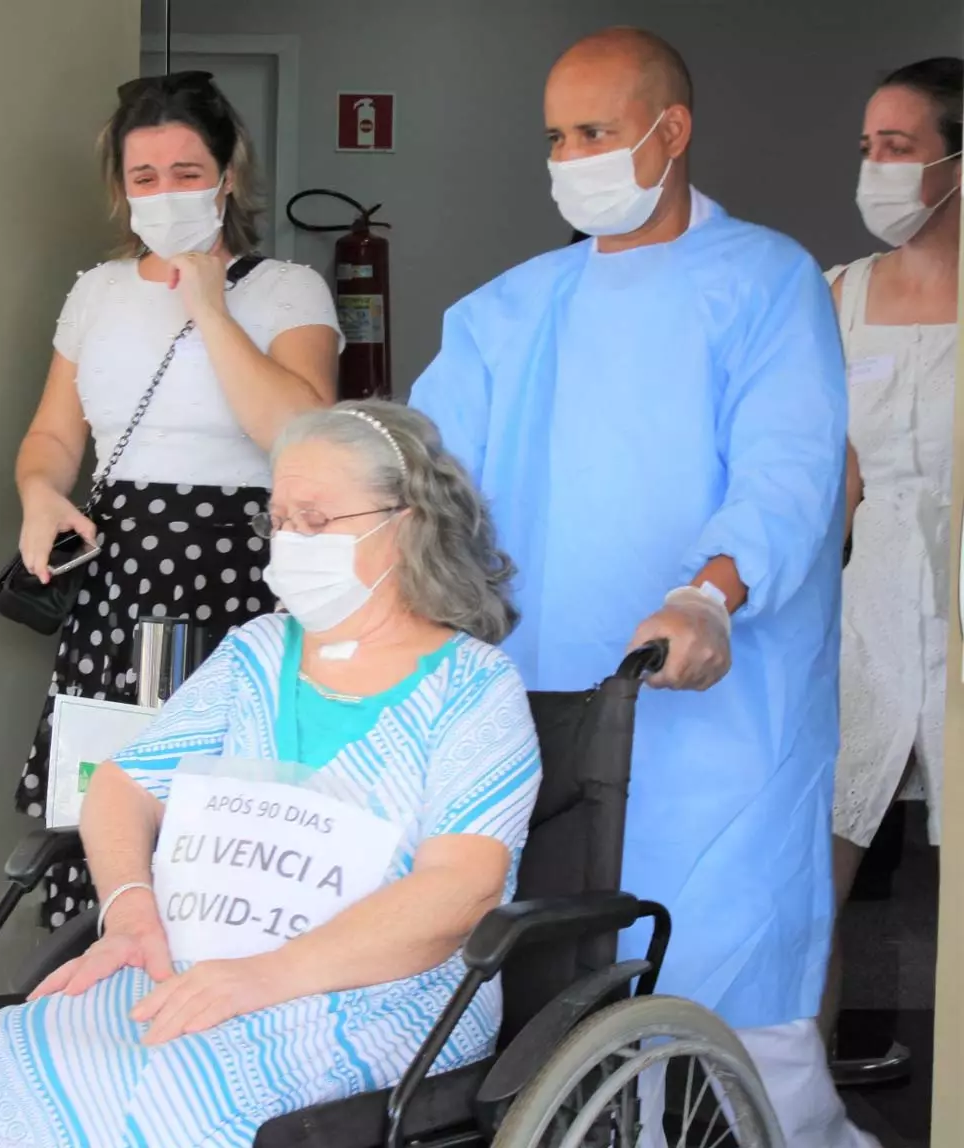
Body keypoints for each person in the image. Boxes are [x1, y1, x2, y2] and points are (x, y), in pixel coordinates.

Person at [411, 27, 875, 1147]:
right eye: (556, 138)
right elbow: (420, 480)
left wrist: (711, 594)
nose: (571, 160)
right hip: (540, 699)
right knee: (552, 981)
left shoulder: (764, 280)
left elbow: (790, 466)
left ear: (672, 132)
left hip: (717, 700)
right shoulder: (506, 311)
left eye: (596, 132)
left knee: (731, 987)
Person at [0, 402, 541, 1148]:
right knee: (2, 1055)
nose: (290, 541)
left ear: (407, 526)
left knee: (173, 1103)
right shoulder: (258, 651)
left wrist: (266, 976)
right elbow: (124, 785)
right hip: (199, 958)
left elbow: (461, 889)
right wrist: (130, 912)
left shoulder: (475, 688)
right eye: (278, 520)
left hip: (379, 992)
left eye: (316, 520)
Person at [13, 72, 342, 928]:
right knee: (111, 805)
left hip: (247, 578)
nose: (165, 192)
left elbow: (303, 434)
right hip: (121, 578)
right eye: (145, 176)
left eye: (187, 172)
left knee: (234, 820)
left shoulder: (287, 289)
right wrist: (40, 493)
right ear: (122, 188)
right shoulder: (97, 292)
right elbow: (54, 435)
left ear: (228, 175)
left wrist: (212, 310)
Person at [820, 57, 961, 1050]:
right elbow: (830, 482)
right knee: (813, 874)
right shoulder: (838, 295)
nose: (875, 168)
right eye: (868, 147)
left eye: (899, 147)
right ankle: (799, 1096)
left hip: (958, 600)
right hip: (863, 606)